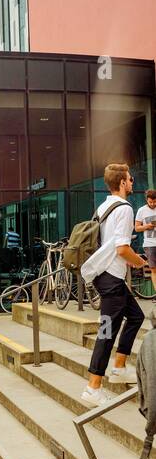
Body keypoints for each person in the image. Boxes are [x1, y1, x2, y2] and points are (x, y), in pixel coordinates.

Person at [80, 163, 149, 404]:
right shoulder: (126, 209)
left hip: (110, 278)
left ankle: (119, 368)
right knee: (106, 332)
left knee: (136, 317)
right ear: (121, 183)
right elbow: (121, 248)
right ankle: (93, 387)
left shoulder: (104, 206)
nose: (132, 183)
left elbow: (111, 244)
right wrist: (139, 261)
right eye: (130, 179)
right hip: (110, 280)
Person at [136, 189, 156, 292]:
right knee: (154, 269)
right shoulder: (141, 210)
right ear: (147, 200)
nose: (152, 204)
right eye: (150, 202)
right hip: (150, 244)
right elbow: (137, 228)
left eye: (154, 202)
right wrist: (147, 226)